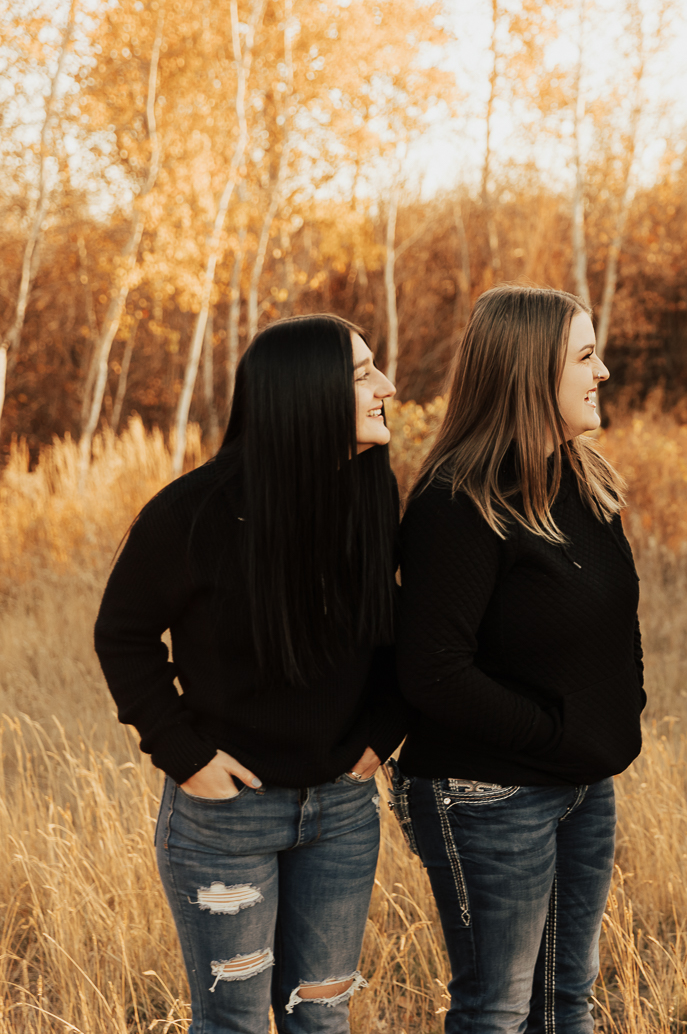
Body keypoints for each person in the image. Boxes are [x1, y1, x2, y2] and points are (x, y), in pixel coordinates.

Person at [94, 315, 403, 1032]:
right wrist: (184, 754)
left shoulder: (371, 495)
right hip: (226, 819)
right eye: (362, 374)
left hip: (342, 814)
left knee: (321, 1020)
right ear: (306, 394)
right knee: (232, 1022)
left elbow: (396, 631)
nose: (386, 386)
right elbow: (124, 633)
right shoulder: (194, 512)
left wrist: (382, 731)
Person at [388, 285, 643, 1034]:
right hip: (486, 792)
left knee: (567, 1000)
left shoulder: (586, 481)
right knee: (497, 1010)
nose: (602, 373)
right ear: (531, 370)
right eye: (586, 356)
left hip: (581, 786)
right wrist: (555, 735)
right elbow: (433, 669)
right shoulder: (456, 501)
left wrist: (618, 714)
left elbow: (615, 622)